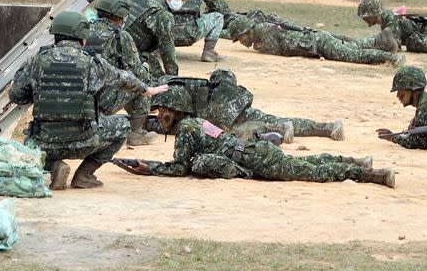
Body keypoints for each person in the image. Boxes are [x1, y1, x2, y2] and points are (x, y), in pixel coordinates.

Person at [8, 10, 167, 190]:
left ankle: (53, 166)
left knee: (28, 141)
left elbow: (17, 95)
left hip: (44, 143)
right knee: (123, 125)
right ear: (83, 37)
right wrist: (147, 90)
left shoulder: (36, 60)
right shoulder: (92, 62)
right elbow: (124, 78)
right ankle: (84, 175)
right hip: (84, 141)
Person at [115, 87, 395, 187]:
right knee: (306, 163)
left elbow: (180, 167)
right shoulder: (196, 123)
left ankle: (372, 175)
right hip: (252, 150)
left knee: (313, 173)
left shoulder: (188, 130)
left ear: (176, 111)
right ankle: (356, 160)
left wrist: (149, 169)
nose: (160, 115)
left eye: (164, 110)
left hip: (251, 156)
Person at [164, 68, 345, 142]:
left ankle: (275, 129)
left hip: (219, 118)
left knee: (231, 134)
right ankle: (328, 127)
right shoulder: (227, 89)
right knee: (274, 118)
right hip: (239, 107)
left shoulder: (186, 90)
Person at [85, 0, 159, 146]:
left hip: (81, 100)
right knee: (143, 77)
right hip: (102, 101)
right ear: (121, 15)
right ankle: (136, 132)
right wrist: (145, 67)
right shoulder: (120, 36)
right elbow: (136, 71)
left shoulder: (83, 31)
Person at [229, 15, 404, 66]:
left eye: (240, 38)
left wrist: (259, 47)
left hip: (317, 43)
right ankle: (380, 39)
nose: (242, 42)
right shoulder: (262, 28)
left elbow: (274, 50)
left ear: (246, 31)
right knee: (351, 46)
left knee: (351, 55)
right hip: (316, 40)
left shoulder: (261, 31)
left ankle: (389, 57)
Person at [124, 0, 193, 77]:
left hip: (111, 47)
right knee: (158, 80)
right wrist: (174, 79)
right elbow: (167, 51)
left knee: (149, 58)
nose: (180, 2)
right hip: (127, 57)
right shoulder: (164, 16)